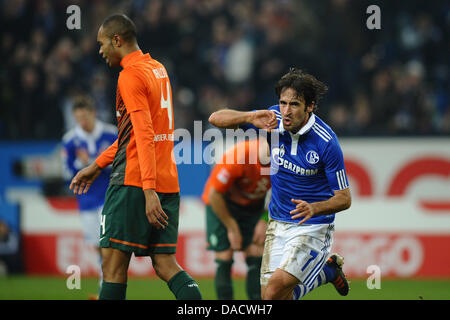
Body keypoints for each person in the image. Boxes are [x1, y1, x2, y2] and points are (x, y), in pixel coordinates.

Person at [69, 14, 202, 300]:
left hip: (135, 182)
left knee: (113, 268)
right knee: (166, 264)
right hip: (168, 182)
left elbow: (143, 134)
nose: (100, 50)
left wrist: (148, 189)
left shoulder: (129, 76)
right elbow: (135, 134)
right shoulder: (158, 69)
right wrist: (96, 165)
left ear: (117, 40)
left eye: (102, 43)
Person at [208, 67, 352, 300]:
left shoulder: (326, 142)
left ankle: (324, 271)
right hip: (278, 224)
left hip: (313, 225)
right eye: (283, 103)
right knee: (271, 298)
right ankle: (327, 272)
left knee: (274, 290)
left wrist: (314, 207)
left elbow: (345, 198)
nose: (286, 111)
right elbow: (215, 119)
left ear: (310, 106)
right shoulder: (271, 120)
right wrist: (248, 117)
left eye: (294, 104)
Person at [62, 95, 117, 294]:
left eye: (85, 117)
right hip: (85, 199)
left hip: (108, 196)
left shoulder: (111, 134)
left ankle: (107, 283)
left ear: (93, 113)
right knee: (96, 243)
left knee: (107, 242)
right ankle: (107, 280)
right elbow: (67, 172)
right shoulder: (70, 141)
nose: (82, 122)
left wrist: (93, 161)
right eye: (78, 118)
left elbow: (123, 163)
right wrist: (82, 164)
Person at [201, 139, 270, 300]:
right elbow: (215, 194)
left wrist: (264, 219)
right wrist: (232, 228)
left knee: (256, 251)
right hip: (222, 203)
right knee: (224, 255)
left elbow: (282, 194)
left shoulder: (284, 161)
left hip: (253, 205)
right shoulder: (238, 158)